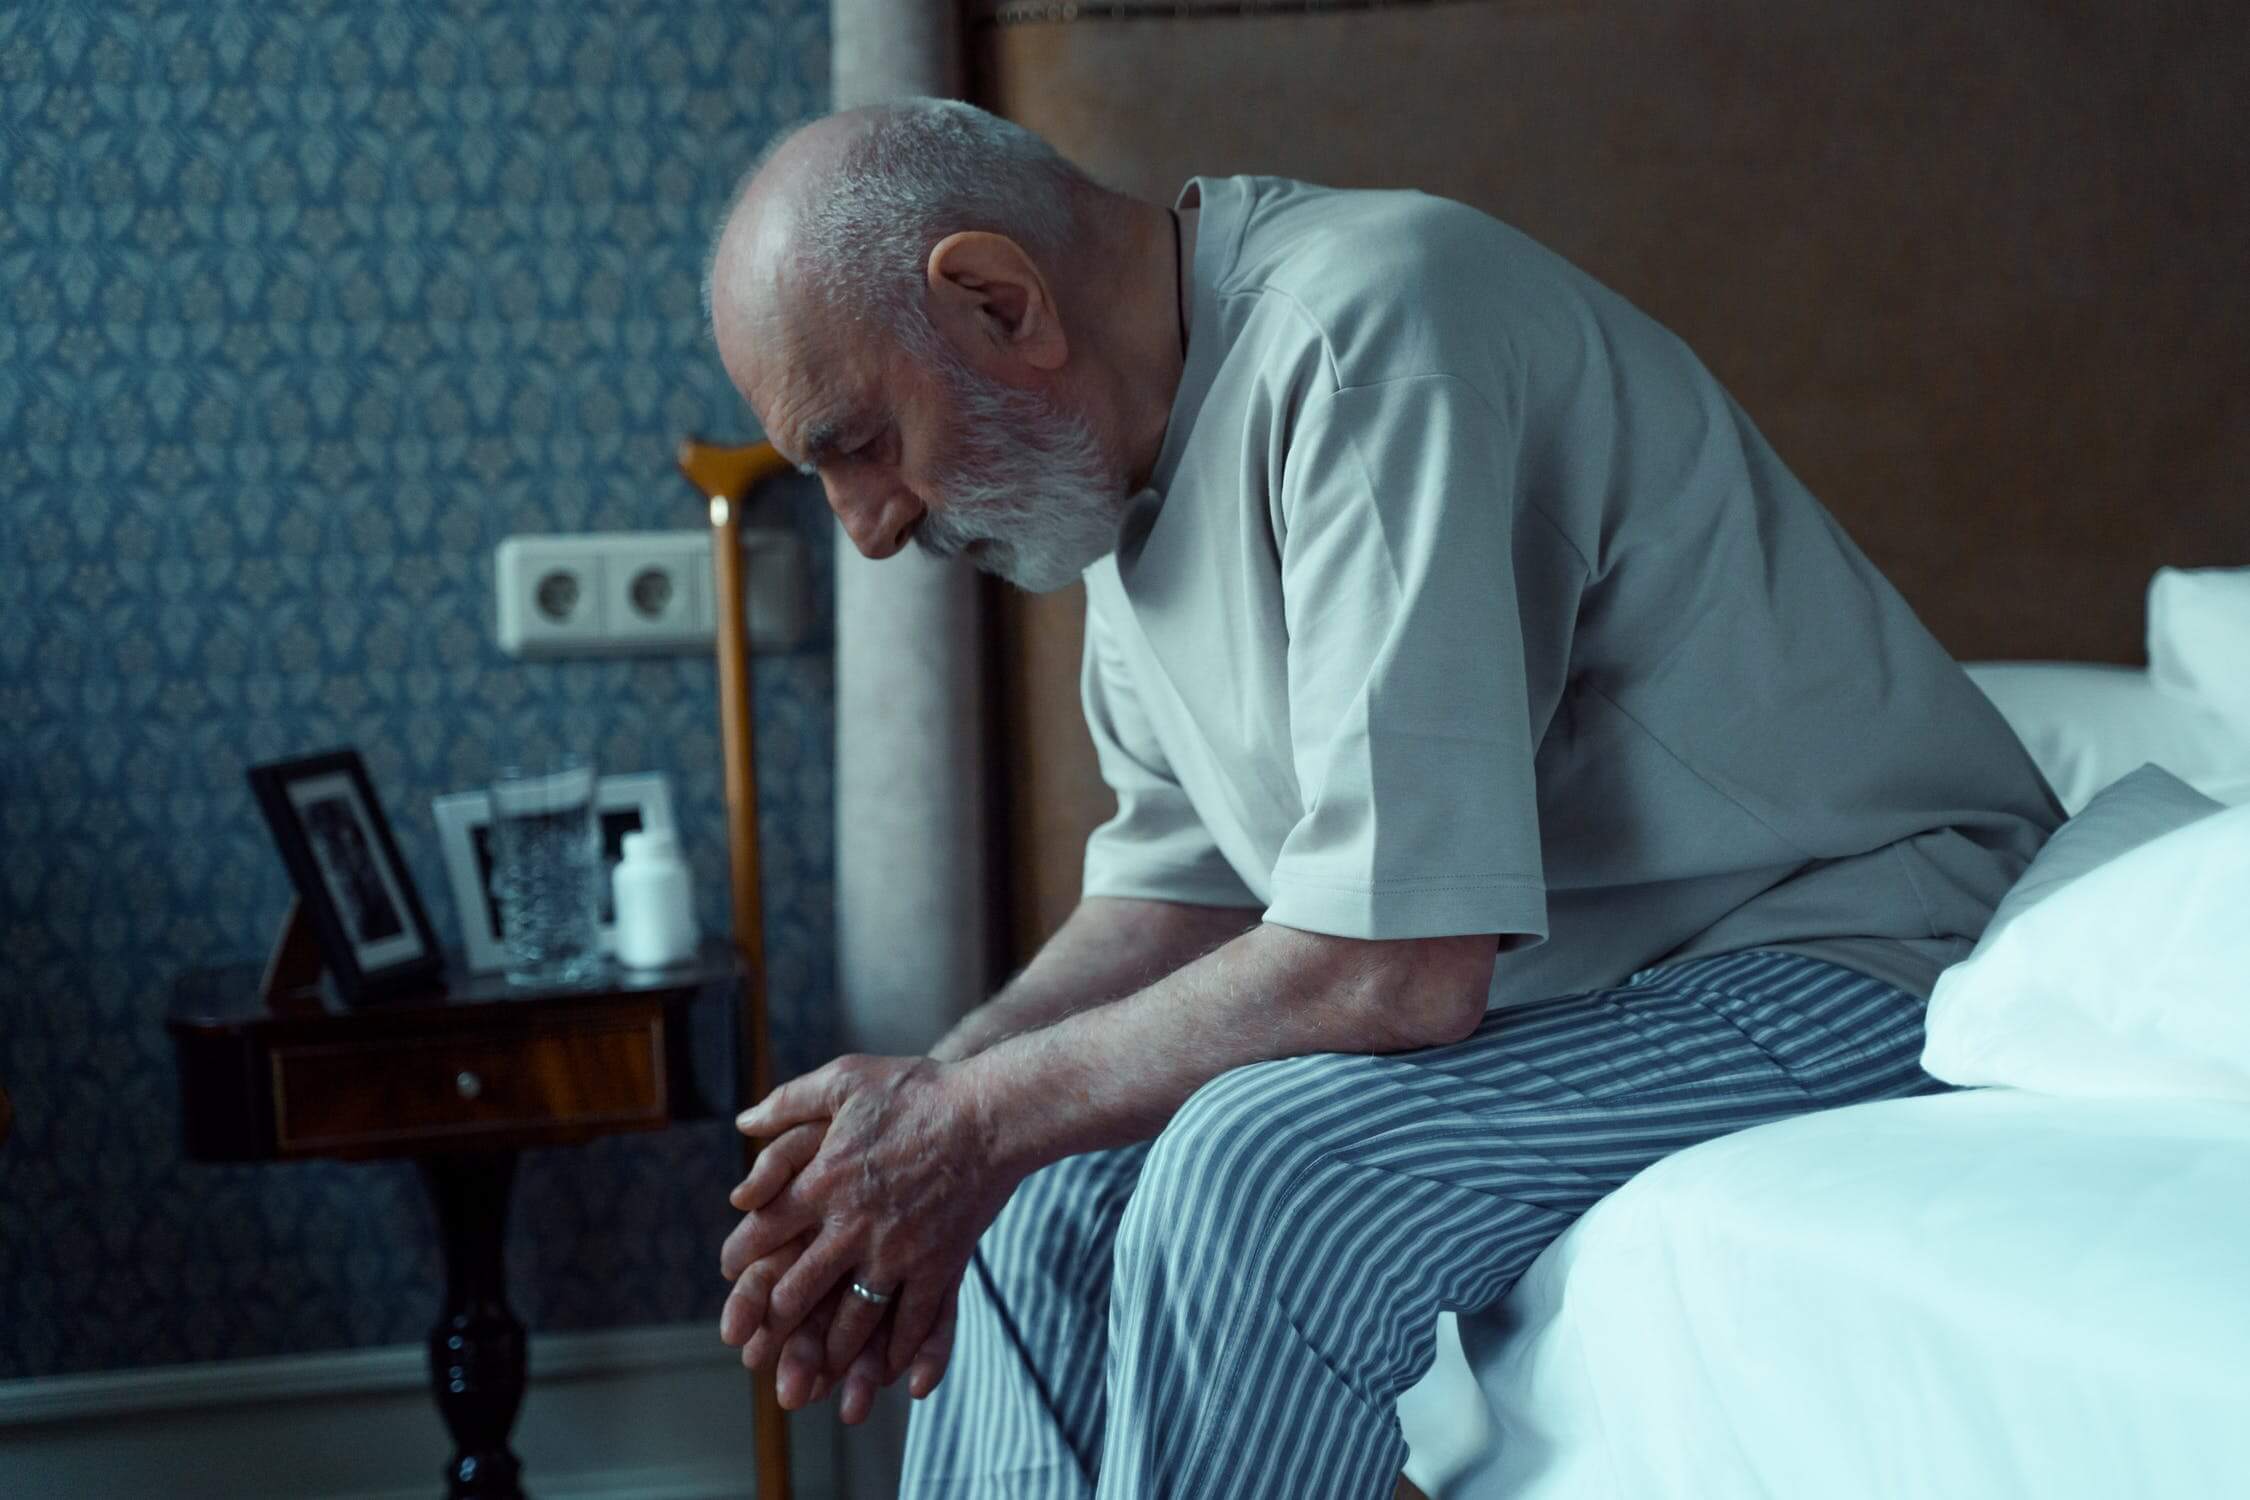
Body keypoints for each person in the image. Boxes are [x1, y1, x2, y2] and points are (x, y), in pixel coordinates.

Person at [703, 98, 2062, 1498]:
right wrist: (936, 1105)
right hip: (1606, 997)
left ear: (999, 300)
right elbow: (1183, 891)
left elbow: (1398, 965)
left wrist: (974, 1119)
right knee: (1030, 1192)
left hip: (1865, 952)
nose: (870, 526)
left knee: (1254, 1171)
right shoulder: (1116, 474)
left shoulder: (1369, 340)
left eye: (860, 441)